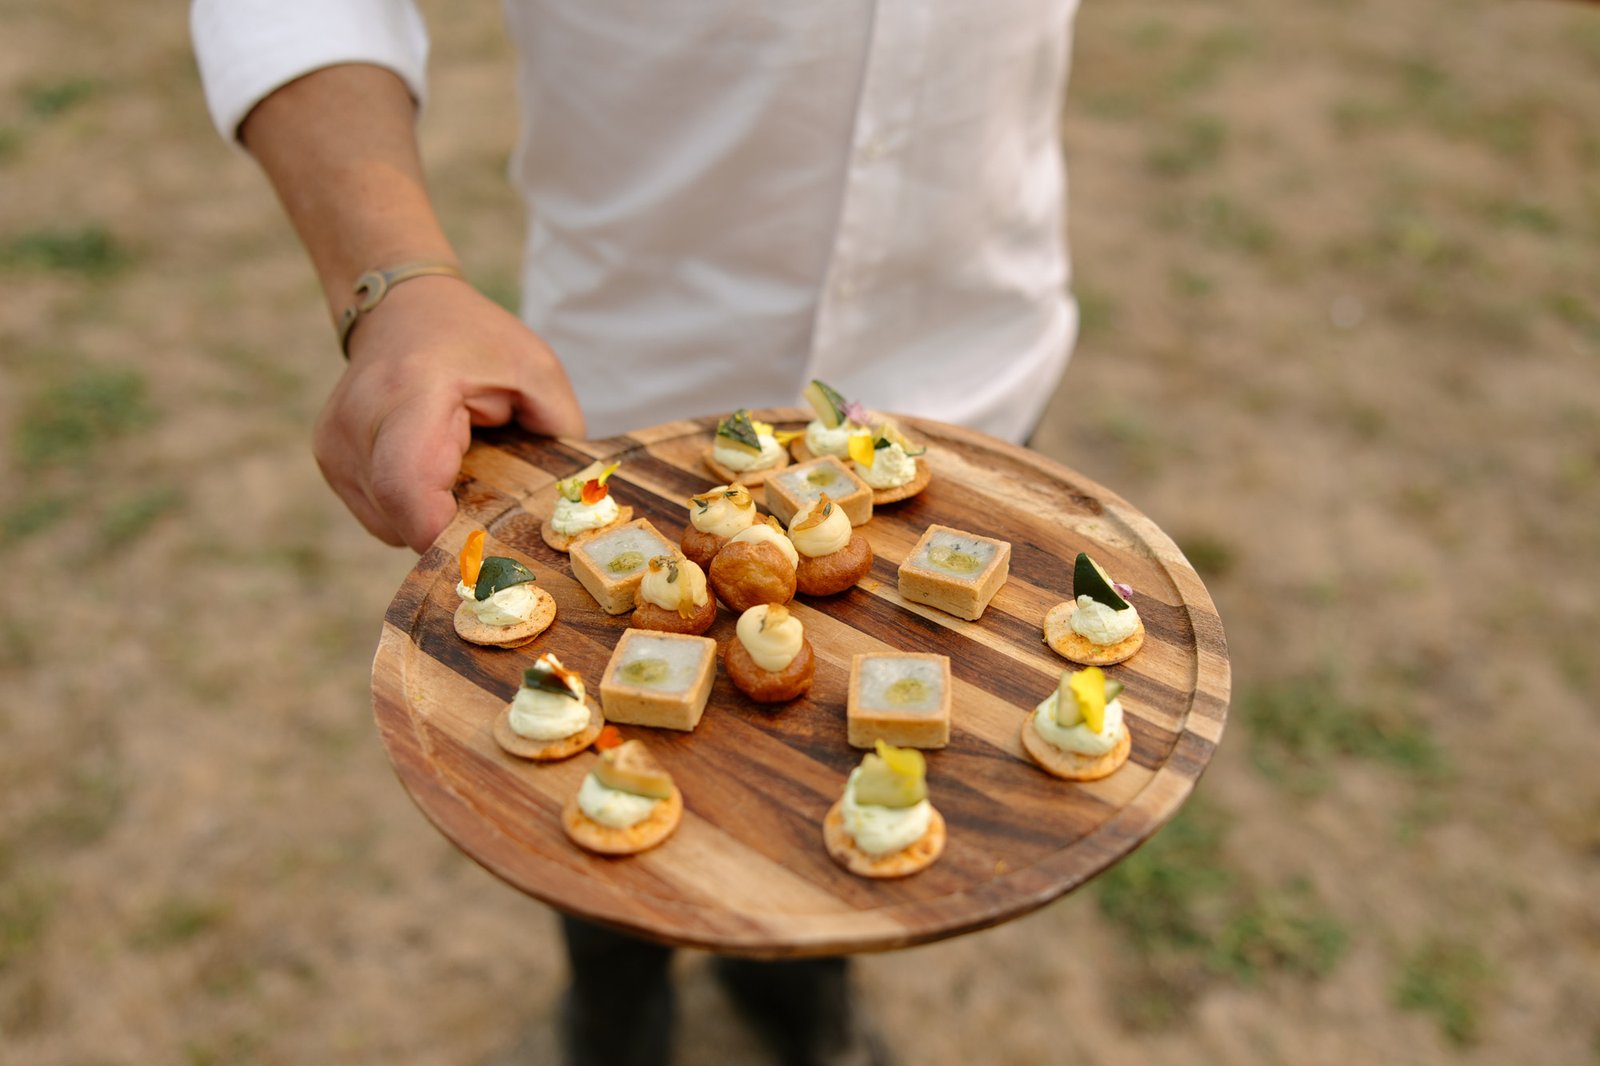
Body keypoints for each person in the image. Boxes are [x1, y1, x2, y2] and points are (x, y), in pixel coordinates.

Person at [191, 3, 1082, 1064]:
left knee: (835, 781)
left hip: (970, 382)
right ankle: (610, 1009)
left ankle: (800, 998)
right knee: (598, 759)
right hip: (619, 415)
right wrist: (393, 282)